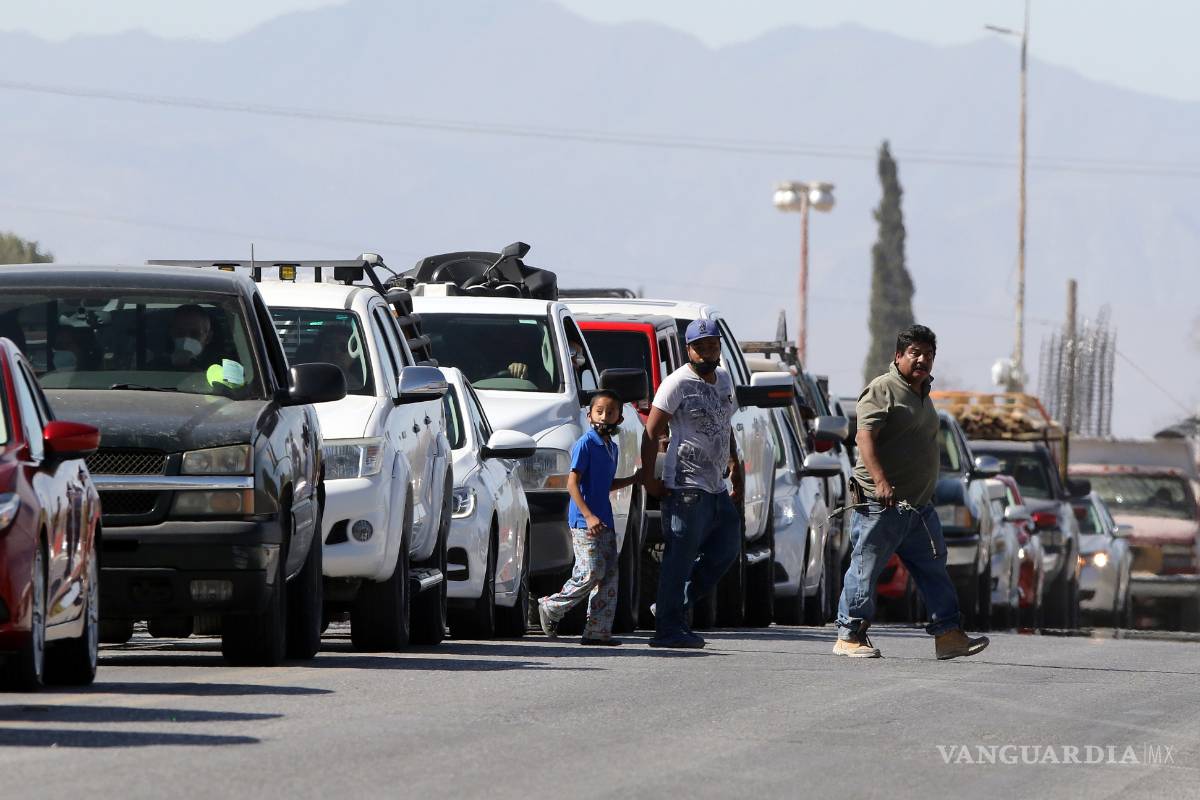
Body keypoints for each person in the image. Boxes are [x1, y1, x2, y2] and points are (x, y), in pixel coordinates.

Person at [836, 324, 989, 660]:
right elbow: (865, 440)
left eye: (929, 355)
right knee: (866, 566)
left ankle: (948, 635)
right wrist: (880, 482)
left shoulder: (923, 394)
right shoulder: (883, 389)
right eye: (915, 353)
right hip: (882, 502)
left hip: (917, 505)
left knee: (933, 566)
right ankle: (850, 634)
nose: (922, 360)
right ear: (898, 356)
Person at [641, 318, 743, 649]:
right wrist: (649, 480)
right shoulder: (677, 384)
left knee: (727, 550)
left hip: (716, 487)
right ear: (689, 350)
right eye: (700, 347)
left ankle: (670, 608)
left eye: (712, 345)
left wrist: (735, 467)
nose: (707, 352)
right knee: (679, 558)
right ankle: (667, 629)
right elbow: (651, 431)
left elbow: (726, 426)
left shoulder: (725, 380)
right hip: (685, 486)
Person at [538, 390, 641, 645]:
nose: (605, 416)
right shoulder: (585, 443)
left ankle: (597, 630)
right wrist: (588, 515)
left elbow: (603, 484)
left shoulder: (611, 448)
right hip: (586, 521)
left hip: (604, 519)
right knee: (590, 571)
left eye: (611, 412)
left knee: (608, 576)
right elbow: (573, 483)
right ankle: (552, 606)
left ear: (619, 417)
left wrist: (631, 479)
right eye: (600, 411)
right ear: (590, 414)